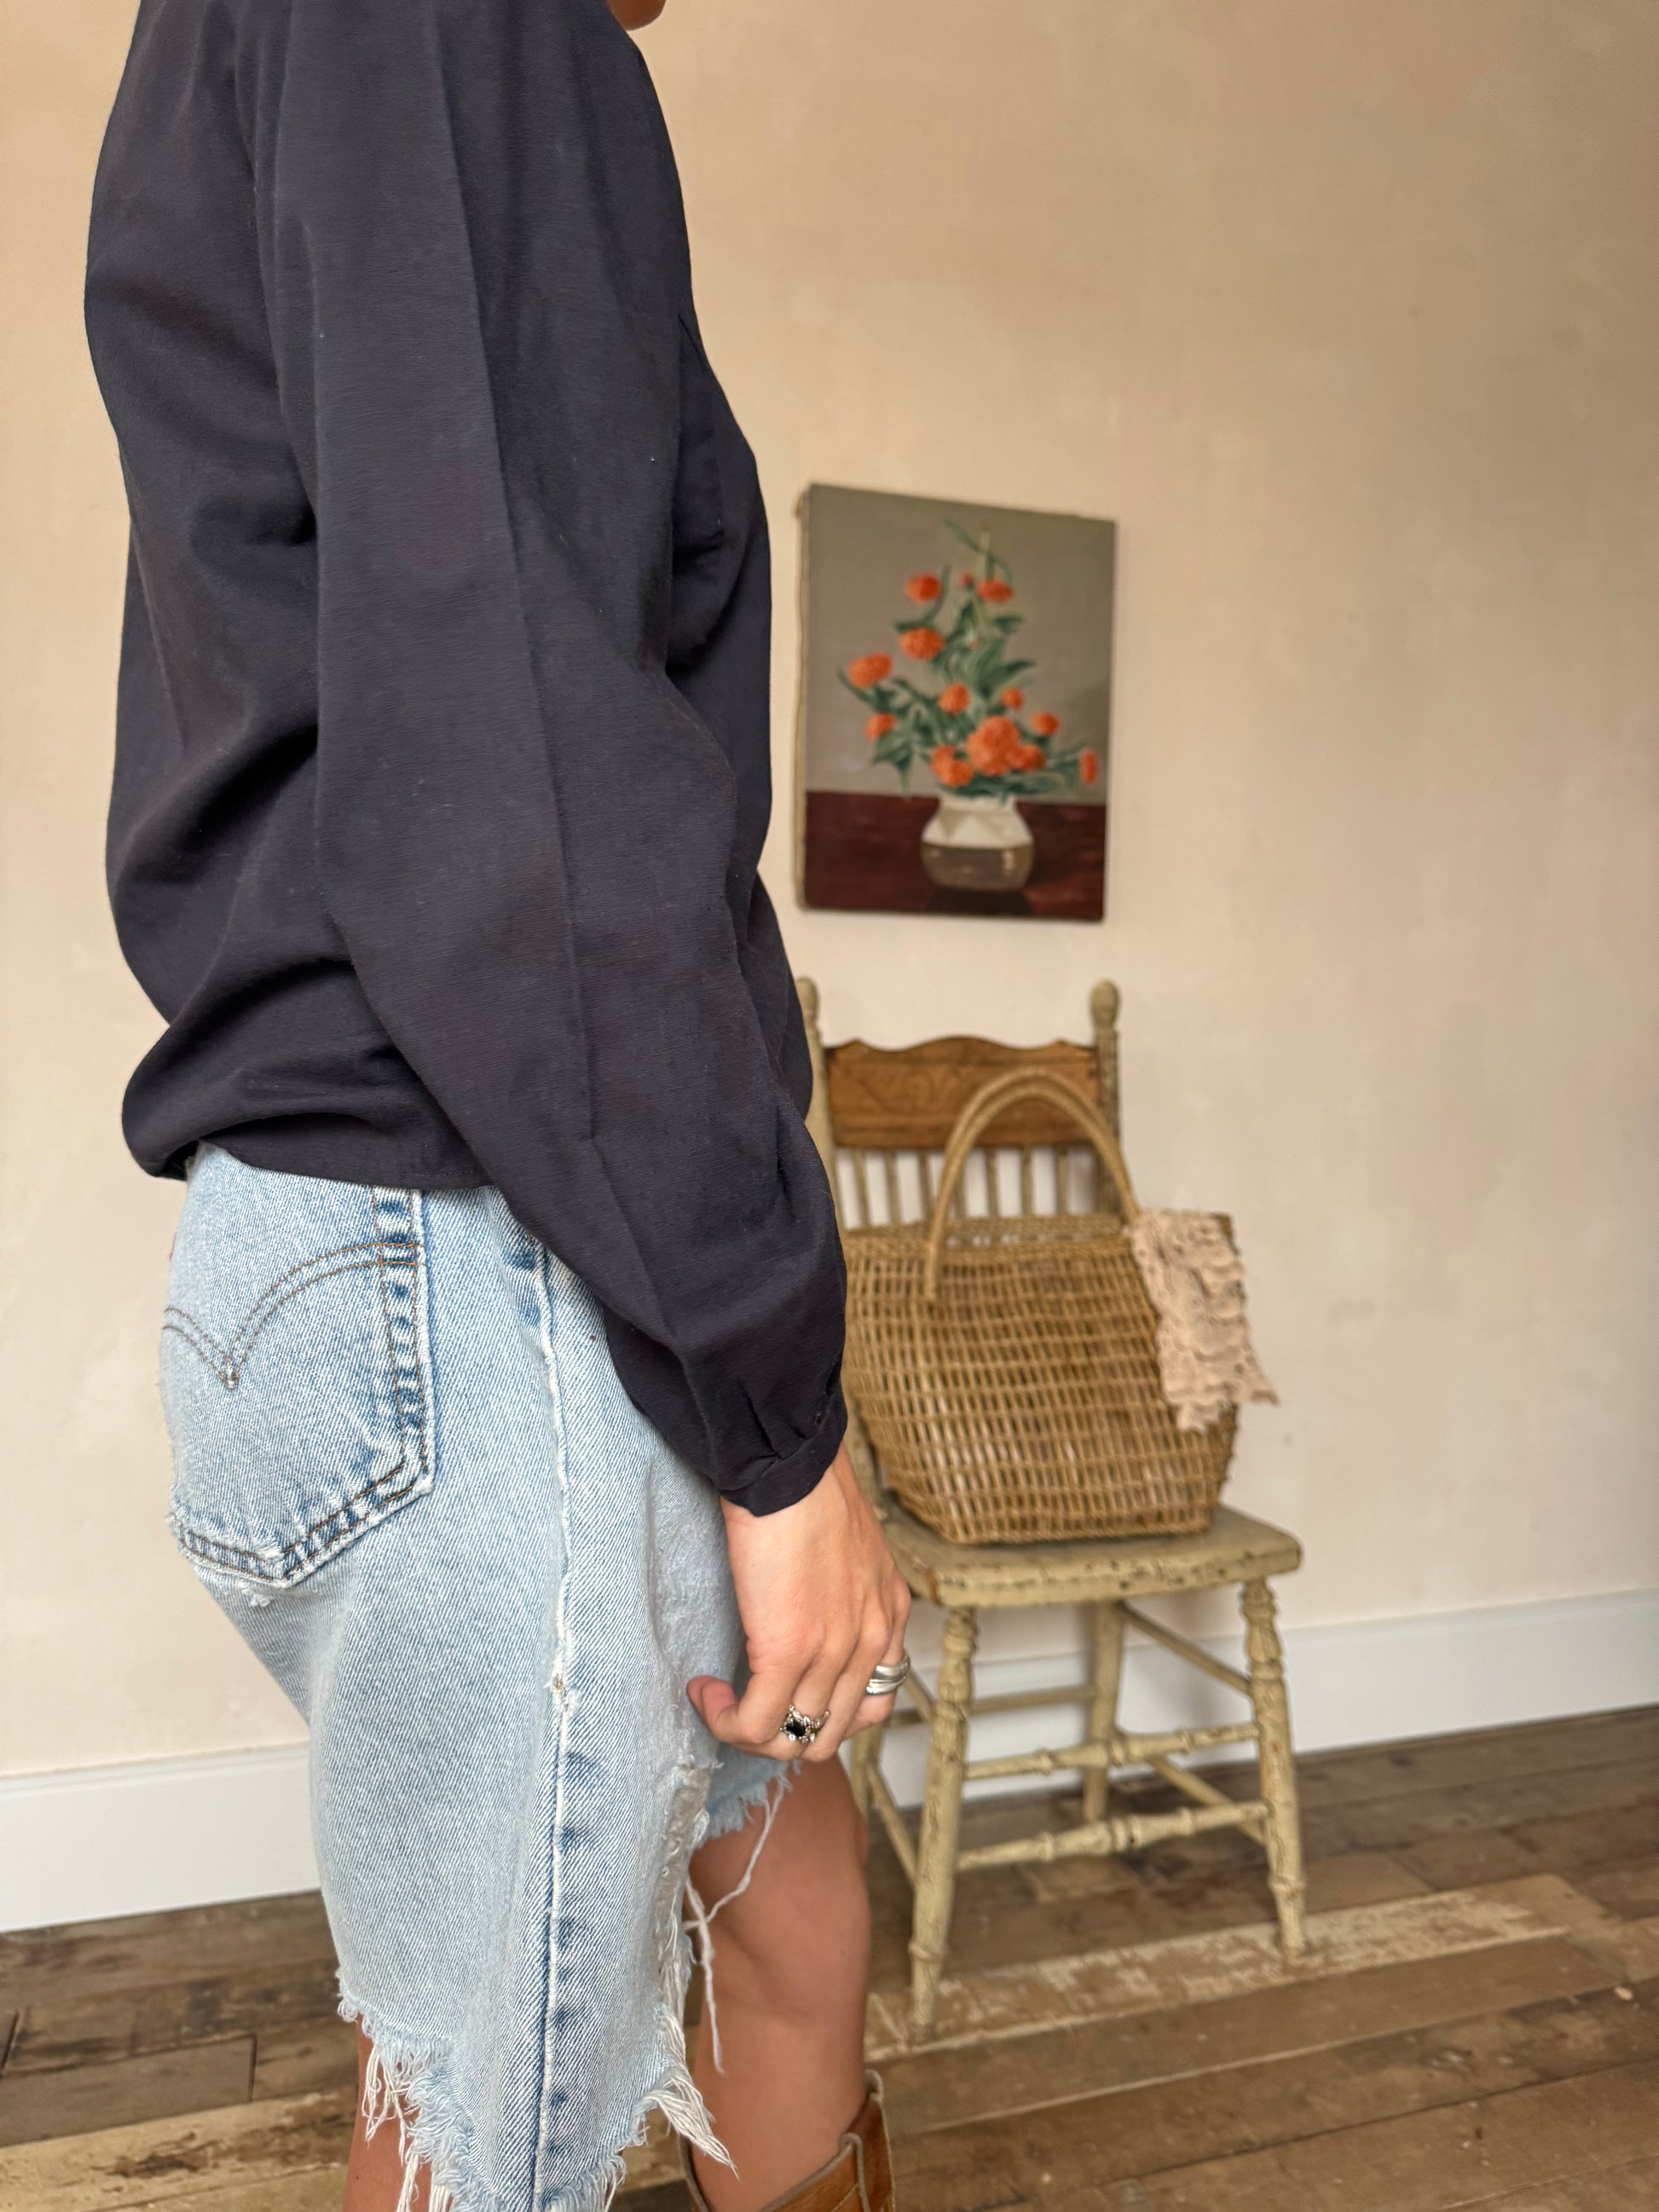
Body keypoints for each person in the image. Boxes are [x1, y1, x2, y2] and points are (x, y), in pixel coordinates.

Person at [84, 0, 910, 2208]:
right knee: (492, 2121)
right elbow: (517, 787)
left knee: (790, 1918)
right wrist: (780, 1417)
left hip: (444, 1237)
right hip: (482, 1249)